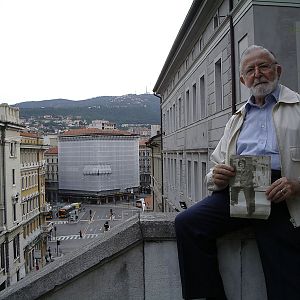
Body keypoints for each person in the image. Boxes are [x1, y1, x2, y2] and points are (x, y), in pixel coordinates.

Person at [175, 45, 300, 300]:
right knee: (187, 224)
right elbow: (214, 167)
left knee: (285, 271)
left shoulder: (298, 108)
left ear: (277, 70)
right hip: (240, 187)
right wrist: (216, 178)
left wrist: (296, 185)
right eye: (250, 70)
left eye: (263, 66)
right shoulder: (236, 119)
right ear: (243, 80)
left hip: (282, 193)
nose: (258, 74)